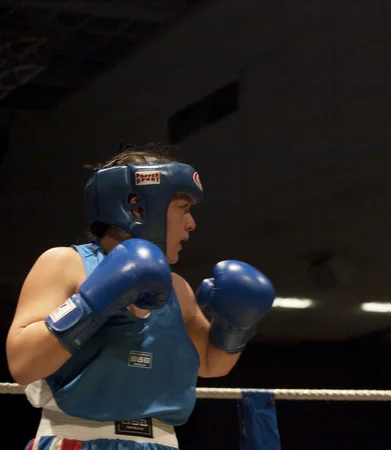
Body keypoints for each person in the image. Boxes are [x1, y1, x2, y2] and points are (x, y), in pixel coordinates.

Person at [5, 144, 276, 450]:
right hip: (76, 439)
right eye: (183, 208)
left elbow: (212, 364)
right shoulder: (66, 264)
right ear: (138, 206)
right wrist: (93, 302)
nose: (191, 224)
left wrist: (236, 325)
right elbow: (23, 364)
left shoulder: (178, 288)